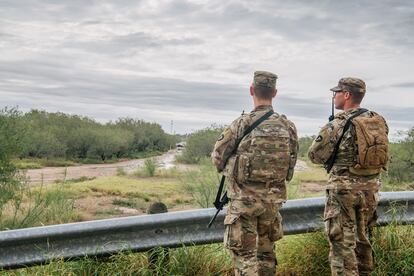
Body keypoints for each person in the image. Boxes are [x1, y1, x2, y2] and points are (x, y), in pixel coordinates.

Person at [211, 71, 298, 276]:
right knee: (266, 256)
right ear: (274, 93)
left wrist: (235, 164)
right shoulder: (288, 126)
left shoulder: (242, 123)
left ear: (252, 90)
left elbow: (217, 158)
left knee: (245, 258)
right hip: (272, 204)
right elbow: (290, 165)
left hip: (244, 204)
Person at [308, 77, 389, 276]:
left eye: (337, 93)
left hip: (343, 193)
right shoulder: (378, 121)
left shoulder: (337, 125)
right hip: (370, 191)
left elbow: (314, 156)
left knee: (342, 246)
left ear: (346, 95)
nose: (334, 96)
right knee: (363, 241)